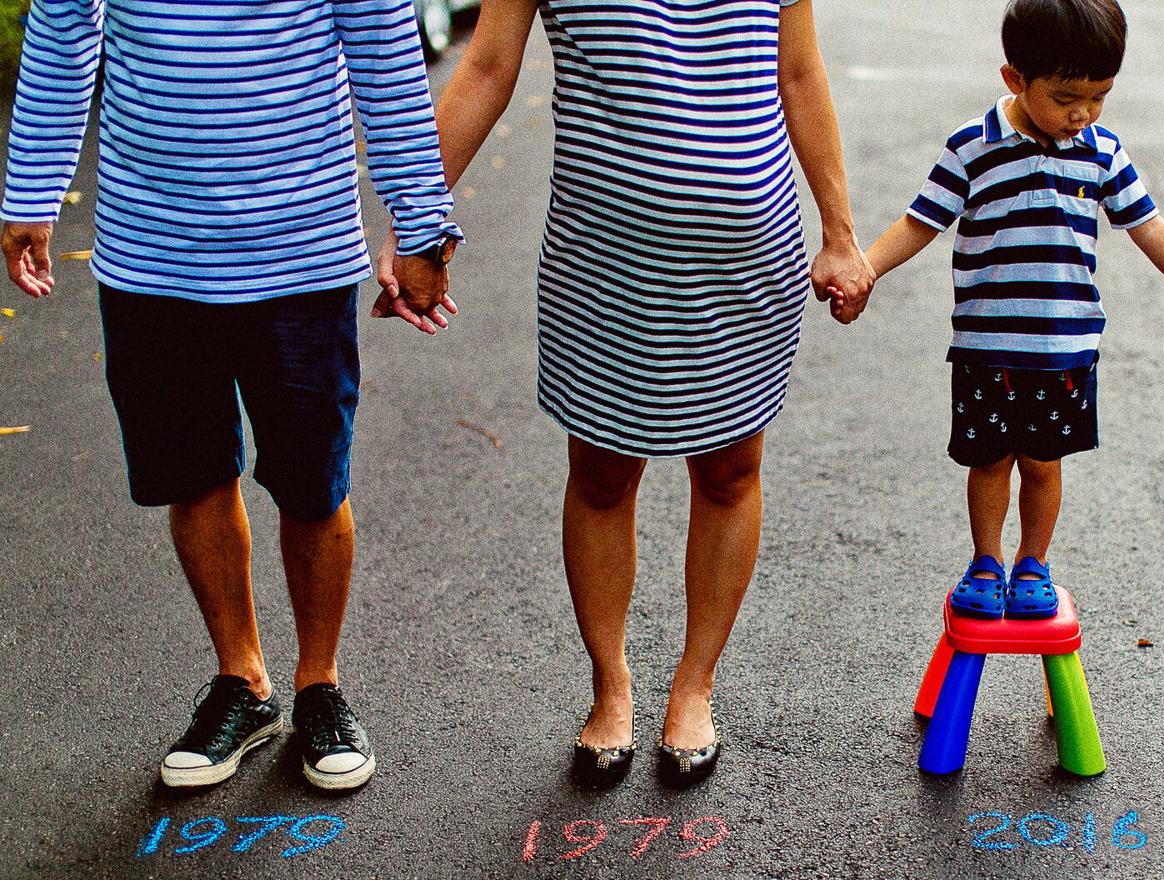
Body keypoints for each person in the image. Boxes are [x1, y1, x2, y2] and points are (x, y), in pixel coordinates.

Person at [405, 0, 872, 787]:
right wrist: (420, 220)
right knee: (601, 475)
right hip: (602, 258)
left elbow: (797, 71)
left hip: (743, 259)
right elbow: (485, 64)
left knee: (727, 473)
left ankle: (694, 685)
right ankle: (610, 685)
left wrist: (839, 229)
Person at [1, 0, 463, 789]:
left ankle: (320, 683)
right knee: (194, 475)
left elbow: (386, 56)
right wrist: (30, 194)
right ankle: (243, 683)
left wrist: (422, 226)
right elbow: (61, 31)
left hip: (300, 256)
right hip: (150, 257)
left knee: (313, 483)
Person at [857, 0, 1164, 621]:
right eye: (1065, 97)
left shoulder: (1100, 150)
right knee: (987, 461)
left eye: (1099, 97)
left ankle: (1033, 562)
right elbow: (917, 223)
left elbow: (1149, 226)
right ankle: (986, 561)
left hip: (1064, 349)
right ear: (1015, 80)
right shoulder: (971, 148)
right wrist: (867, 268)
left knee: (1042, 463)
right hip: (986, 347)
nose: (1082, 114)